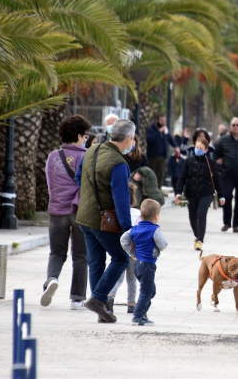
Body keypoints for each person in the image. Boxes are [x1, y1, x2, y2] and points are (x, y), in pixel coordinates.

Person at [75, 119, 135, 323]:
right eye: (132, 139)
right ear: (128, 139)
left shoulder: (91, 150)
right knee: (121, 258)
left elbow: (78, 177)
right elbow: (121, 201)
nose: (132, 143)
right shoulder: (118, 163)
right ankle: (98, 299)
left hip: (85, 217)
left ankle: (101, 308)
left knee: (96, 262)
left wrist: (90, 198)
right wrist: (129, 231)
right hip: (104, 220)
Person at [41, 115, 91, 309]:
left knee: (56, 253)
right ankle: (77, 298)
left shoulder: (53, 156)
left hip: (57, 210)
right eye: (85, 136)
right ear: (79, 136)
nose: (85, 139)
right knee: (81, 255)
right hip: (80, 211)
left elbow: (50, 184)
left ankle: (51, 279)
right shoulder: (87, 156)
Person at [120, 199, 168, 326]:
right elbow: (162, 245)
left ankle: (142, 312)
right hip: (148, 265)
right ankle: (138, 316)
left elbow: (123, 239)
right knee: (146, 292)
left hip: (137, 265)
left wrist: (132, 253)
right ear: (156, 216)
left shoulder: (134, 229)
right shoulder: (154, 230)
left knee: (150, 290)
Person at [175, 138, 225, 251]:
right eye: (196, 147)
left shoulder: (211, 163)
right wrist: (178, 192)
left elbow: (217, 180)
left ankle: (200, 240)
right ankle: (197, 235)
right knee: (192, 217)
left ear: (206, 150)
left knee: (201, 214)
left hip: (206, 193)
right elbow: (182, 177)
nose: (198, 150)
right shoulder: (188, 161)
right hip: (191, 193)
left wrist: (221, 195)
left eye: (201, 148)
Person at [107, 183, 141, 314]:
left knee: (119, 276)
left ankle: (111, 295)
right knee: (131, 277)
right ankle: (131, 304)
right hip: (133, 249)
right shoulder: (137, 213)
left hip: (120, 247)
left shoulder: (116, 213)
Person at [146, 114, 181, 189]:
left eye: (164, 121)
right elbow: (150, 139)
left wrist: (176, 146)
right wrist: (159, 132)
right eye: (161, 120)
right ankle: (151, 190)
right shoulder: (150, 129)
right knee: (152, 174)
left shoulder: (165, 130)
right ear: (156, 121)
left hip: (162, 156)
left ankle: (158, 190)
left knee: (161, 174)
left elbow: (170, 139)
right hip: (152, 156)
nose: (163, 122)